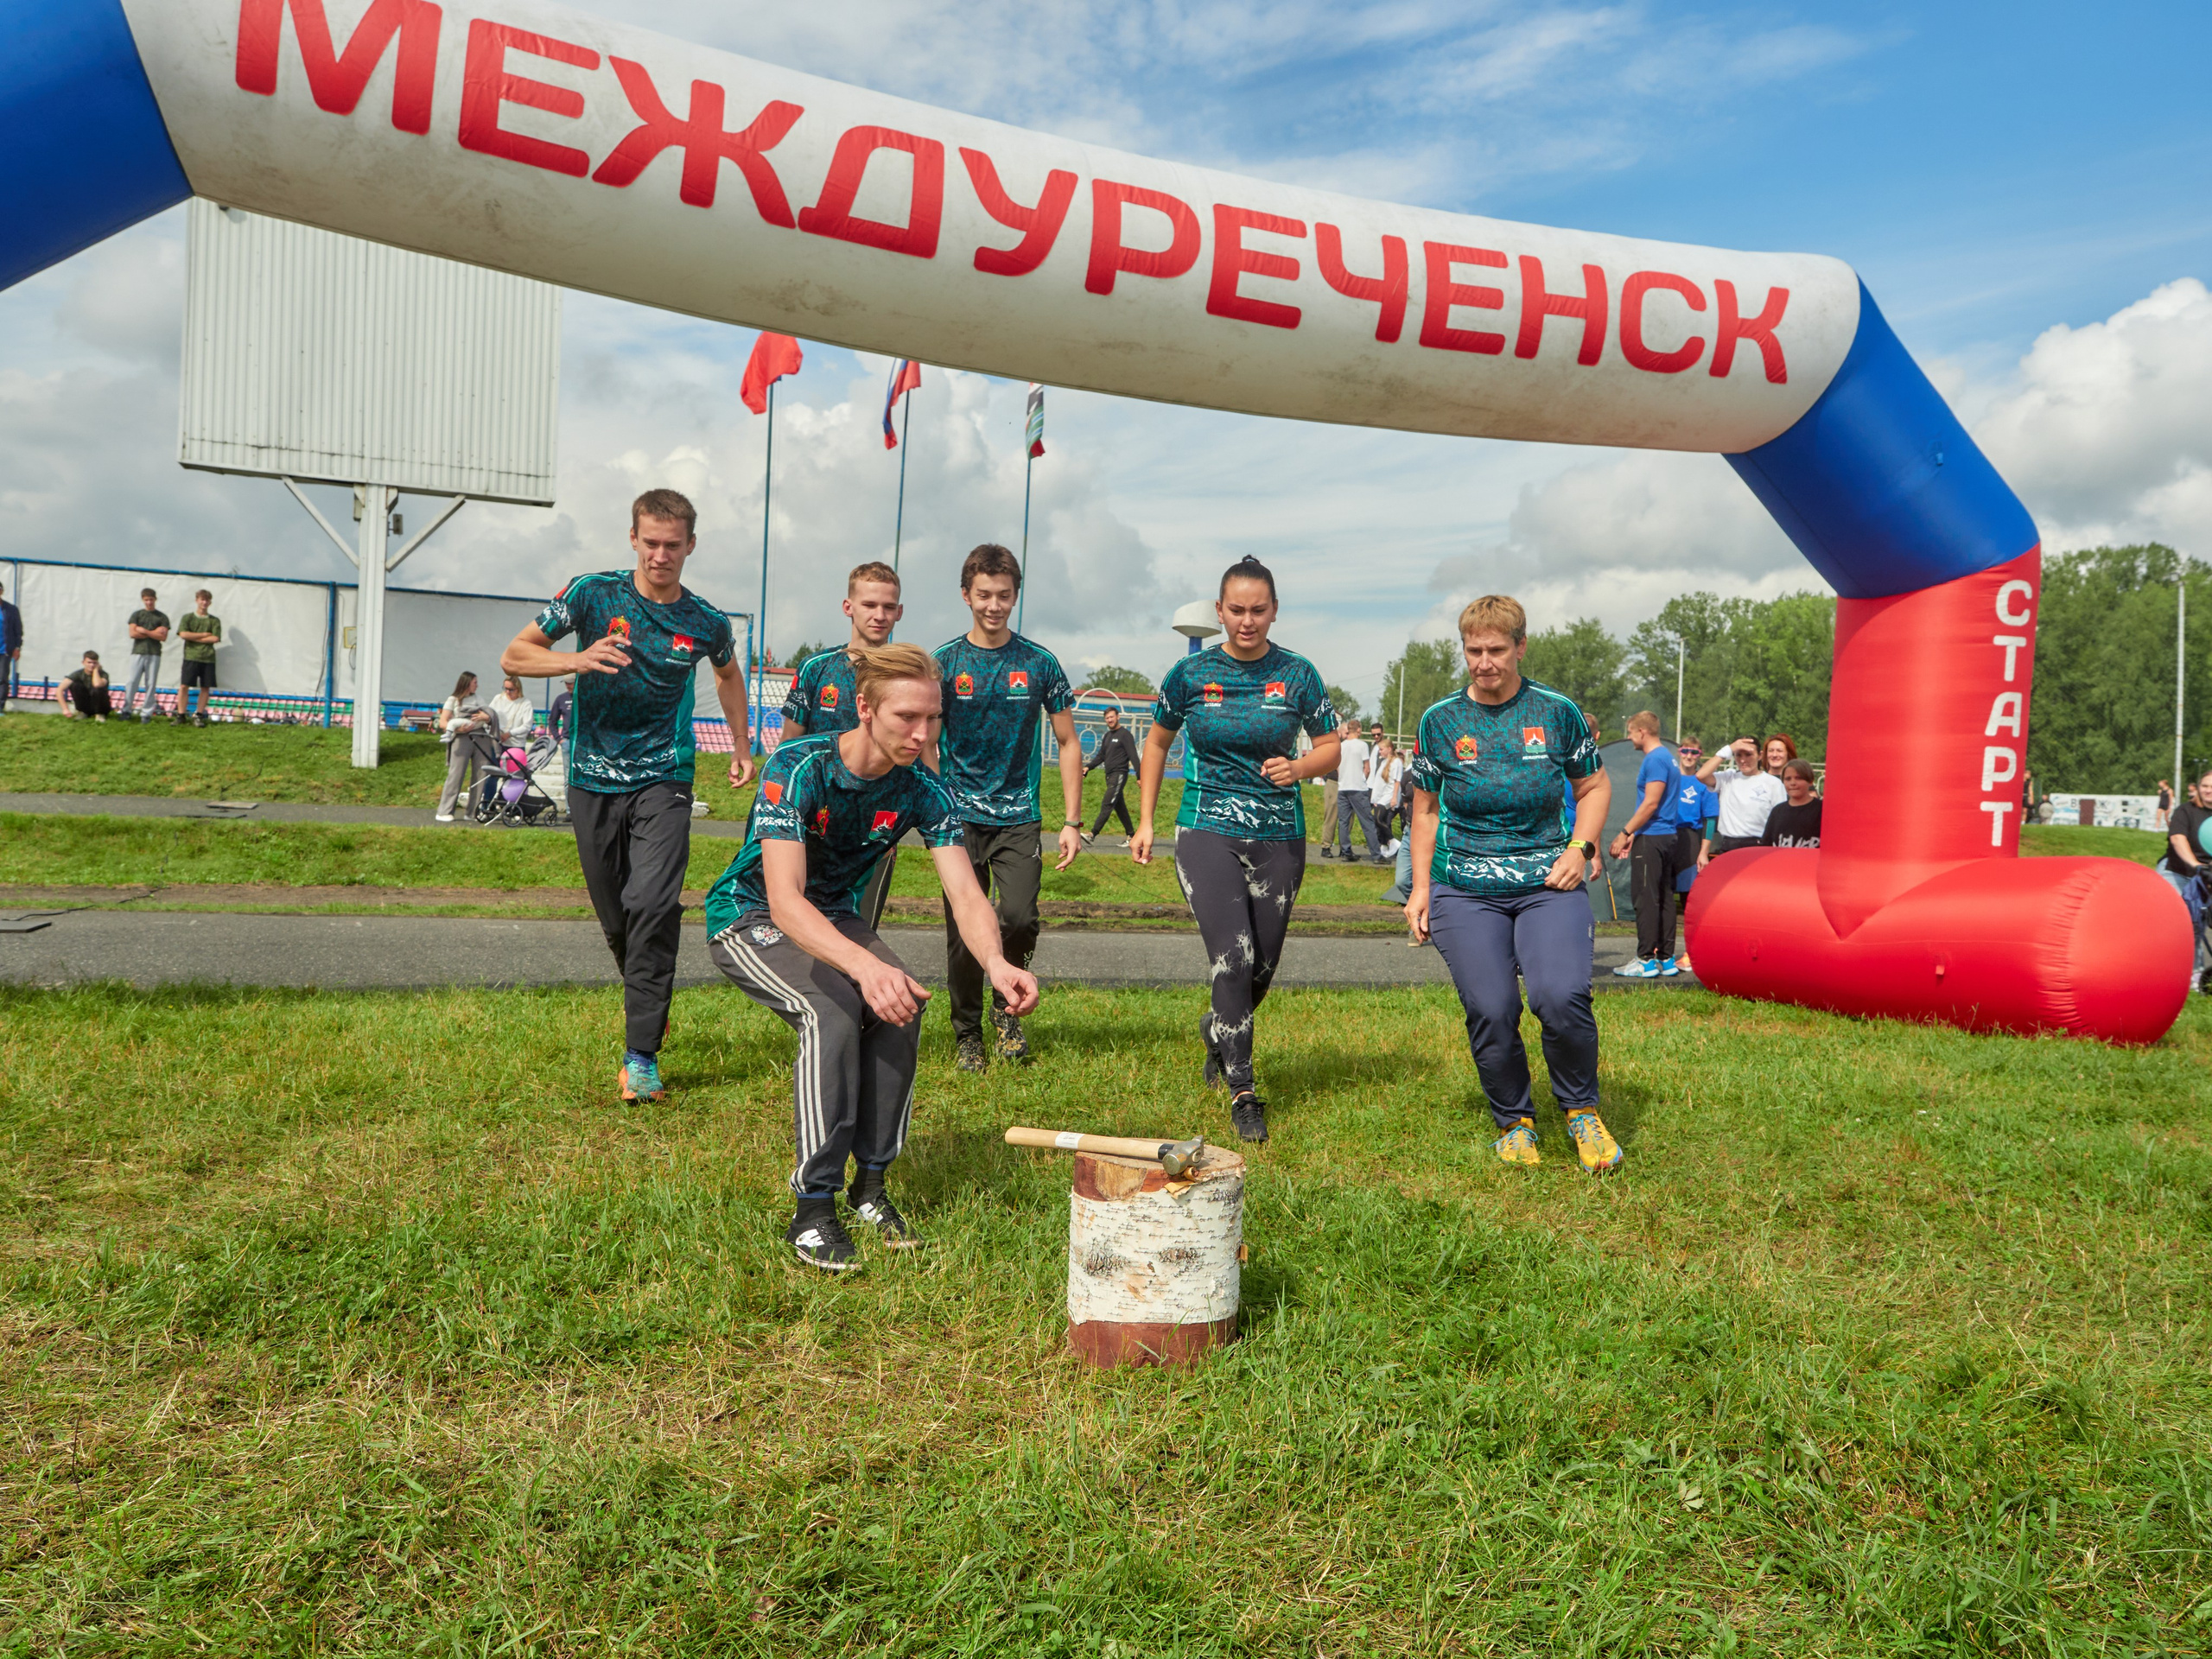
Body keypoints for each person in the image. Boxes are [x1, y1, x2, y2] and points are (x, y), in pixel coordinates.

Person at [705, 643, 1039, 1271]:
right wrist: (864, 967)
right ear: (864, 707)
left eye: (933, 718)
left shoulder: (924, 790)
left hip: (834, 917)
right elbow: (784, 901)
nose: (921, 733)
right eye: (906, 718)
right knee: (830, 1012)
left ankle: (871, 1188)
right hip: (748, 918)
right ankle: (812, 1211)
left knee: (900, 1004)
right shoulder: (798, 767)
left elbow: (967, 894)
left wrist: (996, 964)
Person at [501, 488, 754, 1105]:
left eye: (673, 545)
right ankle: (650, 997)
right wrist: (577, 658)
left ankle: (640, 1057)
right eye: (651, 542)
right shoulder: (592, 593)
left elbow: (726, 674)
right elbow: (516, 652)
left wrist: (742, 747)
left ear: (690, 546)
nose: (660, 555)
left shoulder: (705, 621)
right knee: (618, 916)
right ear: (633, 539)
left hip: (664, 776)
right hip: (590, 776)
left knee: (653, 902)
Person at [1404, 594, 1622, 1174]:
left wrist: (1581, 848)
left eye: (1497, 649)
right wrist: (1421, 888)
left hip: (1548, 882)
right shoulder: (1439, 721)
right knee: (1492, 1005)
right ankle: (1515, 1121)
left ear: (1521, 647)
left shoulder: (1557, 712)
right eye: (1474, 650)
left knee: (1560, 995)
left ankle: (1581, 1110)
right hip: (1464, 886)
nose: (1485, 662)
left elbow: (1594, 788)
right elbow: (1424, 810)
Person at [1133, 556, 1339, 1143]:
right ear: (1219, 611)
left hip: (1278, 834)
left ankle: (1219, 1026)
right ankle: (1243, 1087)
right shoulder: (1189, 676)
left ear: (1274, 611)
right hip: (1207, 829)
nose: (1247, 622)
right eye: (1237, 610)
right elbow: (1156, 744)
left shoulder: (1298, 674)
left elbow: (1331, 750)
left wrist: (1298, 766)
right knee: (1234, 956)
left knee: (1263, 965)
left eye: (1258, 611)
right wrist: (1145, 821)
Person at [930, 543, 1082, 1071]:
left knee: (1017, 918)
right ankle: (967, 1032)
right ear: (966, 595)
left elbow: (1067, 742)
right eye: (984, 595)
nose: (994, 606)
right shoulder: (944, 663)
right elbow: (927, 740)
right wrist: (930, 805)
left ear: (1016, 596)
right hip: (958, 818)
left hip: (1020, 816)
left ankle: (1007, 1008)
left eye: (1005, 596)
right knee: (962, 929)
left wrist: (1071, 820)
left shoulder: (1039, 663)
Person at [781, 561, 906, 928]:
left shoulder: (907, 676)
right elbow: (789, 746)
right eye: (869, 605)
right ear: (848, 607)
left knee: (858, 932)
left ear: (900, 612)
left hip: (875, 827)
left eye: (888, 607)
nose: (879, 615)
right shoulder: (816, 668)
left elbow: (916, 751)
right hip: (812, 821)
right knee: (801, 928)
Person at [1607, 711, 1681, 976]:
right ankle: (1666, 958)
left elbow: (1651, 802)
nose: (1629, 738)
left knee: (1646, 898)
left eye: (1630, 732)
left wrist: (1625, 832)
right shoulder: (1668, 759)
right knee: (1662, 898)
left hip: (1655, 837)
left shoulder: (1656, 759)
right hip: (1660, 835)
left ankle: (1646, 960)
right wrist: (1636, 836)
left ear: (1642, 732)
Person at [2158, 768, 2212, 994]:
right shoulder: (2186, 811)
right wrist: (2196, 866)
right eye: (2205, 786)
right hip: (2178, 872)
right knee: (2180, 923)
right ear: (2198, 788)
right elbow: (2178, 839)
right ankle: (2163, 973)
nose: (2209, 791)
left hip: (2208, 877)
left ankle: (2196, 975)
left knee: (2200, 925)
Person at [1697, 736, 1785, 864]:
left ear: (1760, 755)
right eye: (1738, 755)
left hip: (1758, 846)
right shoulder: (1728, 777)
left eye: (1748, 754)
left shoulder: (1773, 784)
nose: (1743, 760)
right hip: (1729, 845)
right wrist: (1728, 749)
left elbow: (1780, 822)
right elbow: (1701, 775)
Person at [435, 671, 498, 821]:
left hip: (481, 736)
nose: (477, 685)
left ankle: (473, 812)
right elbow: (443, 722)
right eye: (475, 682)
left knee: (480, 774)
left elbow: (489, 714)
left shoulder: (479, 698)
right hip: (462, 738)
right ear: (467, 683)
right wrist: (458, 729)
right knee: (456, 774)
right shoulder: (453, 700)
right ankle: (444, 811)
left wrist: (486, 717)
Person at [1083, 703, 1140, 842]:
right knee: (1120, 807)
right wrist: (1088, 767)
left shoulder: (1125, 735)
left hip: (1119, 775)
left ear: (1118, 717)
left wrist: (1140, 776)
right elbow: (1101, 756)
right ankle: (1131, 835)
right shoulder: (1107, 736)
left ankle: (1092, 834)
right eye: (1107, 718)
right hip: (1109, 776)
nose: (1109, 720)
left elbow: (1134, 756)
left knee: (1107, 804)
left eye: (1112, 717)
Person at [1330, 719, 1384, 861]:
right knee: (1367, 821)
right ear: (1359, 730)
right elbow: (1367, 767)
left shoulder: (1341, 746)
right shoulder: (1362, 745)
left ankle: (1346, 852)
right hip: (1357, 788)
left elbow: (1337, 766)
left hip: (1343, 787)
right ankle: (1376, 855)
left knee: (1343, 822)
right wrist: (1363, 778)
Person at [176, 589, 222, 725]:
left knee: (205, 687)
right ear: (197, 600)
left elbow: (215, 638)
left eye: (207, 600)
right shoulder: (188, 618)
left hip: (208, 658)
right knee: (184, 686)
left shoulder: (214, 620)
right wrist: (203, 635)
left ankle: (199, 714)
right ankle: (181, 715)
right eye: (202, 599)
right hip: (190, 656)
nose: (204, 602)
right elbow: (183, 634)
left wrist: (193, 637)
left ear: (210, 602)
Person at [124, 588, 169, 720]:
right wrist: (153, 632)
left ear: (155, 599)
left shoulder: (162, 617)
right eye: (146, 600)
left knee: (151, 683)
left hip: (154, 653)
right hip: (137, 652)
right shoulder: (137, 615)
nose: (149, 602)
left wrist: (144, 631)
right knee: (132, 681)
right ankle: (126, 709)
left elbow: (163, 637)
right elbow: (132, 633)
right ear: (143, 600)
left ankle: (147, 712)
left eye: (151, 600)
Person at [1760, 758, 1823, 847]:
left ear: (1810, 781)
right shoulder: (1777, 811)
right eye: (1788, 779)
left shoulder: (1822, 809)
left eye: (1798, 778)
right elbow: (1766, 845)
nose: (1793, 783)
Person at [1371, 735, 1407, 849]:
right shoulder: (1384, 762)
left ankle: (1392, 841)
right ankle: (1385, 845)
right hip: (1381, 797)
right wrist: (1375, 798)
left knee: (1378, 819)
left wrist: (1394, 798)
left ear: (1389, 748)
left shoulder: (1396, 762)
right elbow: (1380, 783)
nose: (1380, 752)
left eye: (1381, 749)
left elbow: (1397, 781)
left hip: (1389, 796)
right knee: (1384, 821)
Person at [489, 672, 537, 748]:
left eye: (511, 690)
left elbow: (527, 726)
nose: (507, 692)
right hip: (497, 742)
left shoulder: (526, 703)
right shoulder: (498, 699)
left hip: (516, 745)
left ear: (518, 689)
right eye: (505, 688)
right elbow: (490, 715)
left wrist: (509, 734)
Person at [62, 652, 113, 720]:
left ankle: (99, 714)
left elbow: (97, 684)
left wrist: (96, 671)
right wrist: (65, 709)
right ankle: (83, 712)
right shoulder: (78, 674)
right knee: (75, 685)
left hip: (101, 706)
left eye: (94, 663)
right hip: (86, 704)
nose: (92, 665)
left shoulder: (103, 674)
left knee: (98, 688)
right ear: (83, 662)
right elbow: (60, 689)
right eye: (89, 662)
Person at [0, 580, 20, 713]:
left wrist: (17, 647)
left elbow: (18, 630)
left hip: (5, 650)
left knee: (2, 678)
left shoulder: (11, 609)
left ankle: (0, 707)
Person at [549, 676, 575, 745]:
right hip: (567, 740)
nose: (567, 686)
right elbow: (552, 720)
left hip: (583, 741)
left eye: (570, 683)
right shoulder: (561, 698)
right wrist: (559, 739)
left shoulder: (585, 697)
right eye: (566, 683)